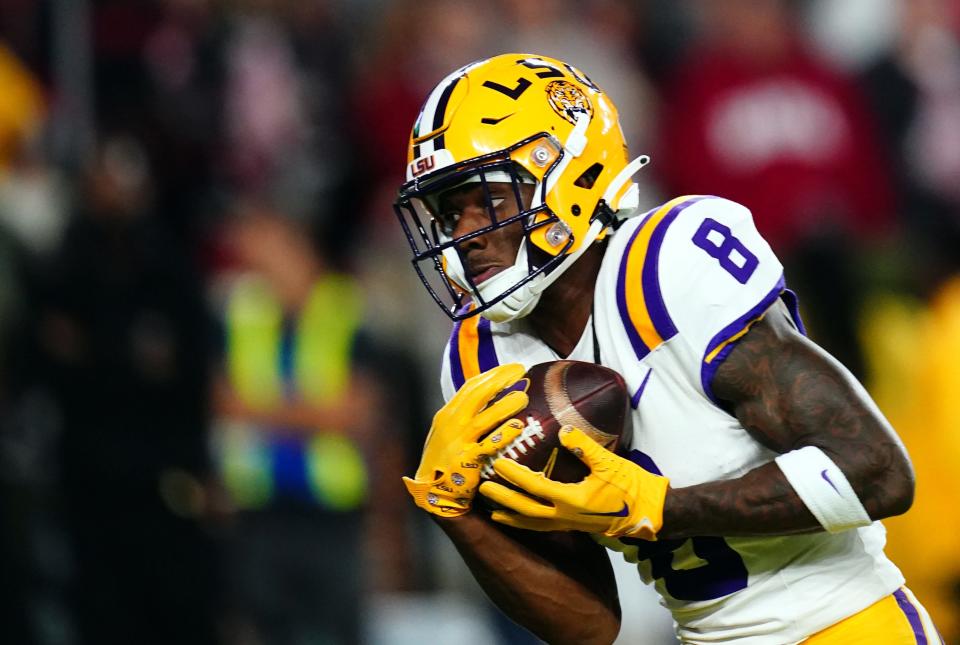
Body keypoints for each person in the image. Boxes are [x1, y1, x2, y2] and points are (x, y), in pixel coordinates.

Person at [394, 53, 943, 644]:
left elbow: (877, 474)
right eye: (450, 214)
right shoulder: (481, 361)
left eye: (490, 201)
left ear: (569, 173)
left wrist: (658, 506)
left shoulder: (669, 268)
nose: (462, 237)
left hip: (846, 626)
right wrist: (456, 515)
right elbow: (589, 627)